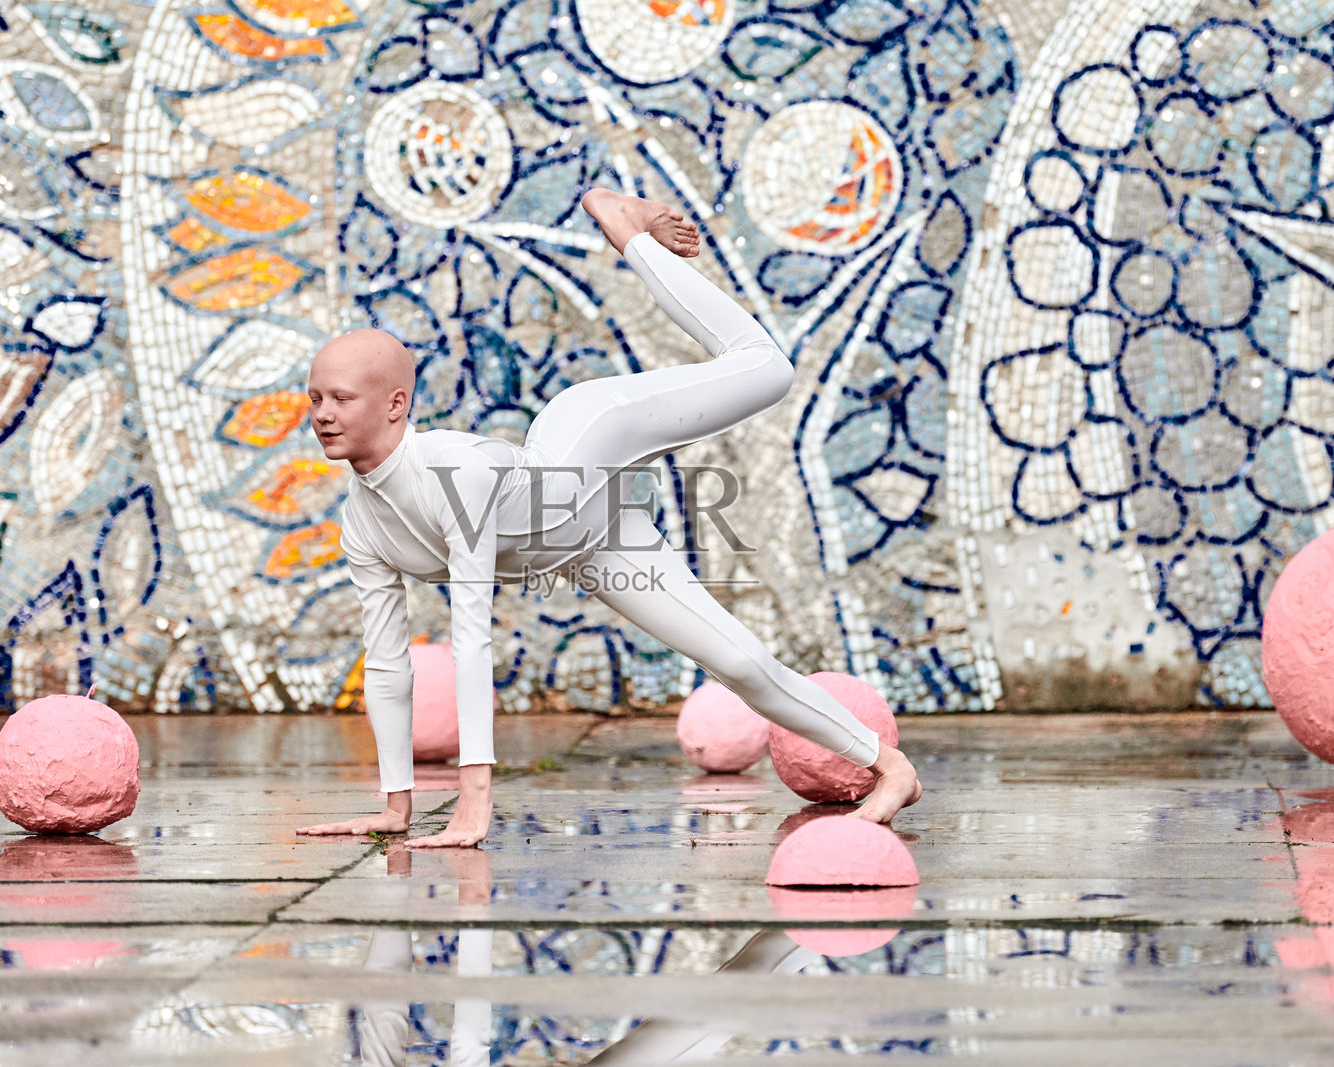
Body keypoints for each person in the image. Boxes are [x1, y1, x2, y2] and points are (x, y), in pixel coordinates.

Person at [296, 188, 923, 848]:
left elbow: (472, 639)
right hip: (593, 544)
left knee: (768, 370)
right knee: (739, 662)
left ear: (396, 404)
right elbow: (387, 664)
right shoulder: (362, 523)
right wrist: (396, 805)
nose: (323, 415)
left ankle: (630, 234)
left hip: (588, 441)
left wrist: (473, 803)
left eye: (341, 398)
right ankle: (893, 768)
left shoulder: (453, 474)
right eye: (314, 399)